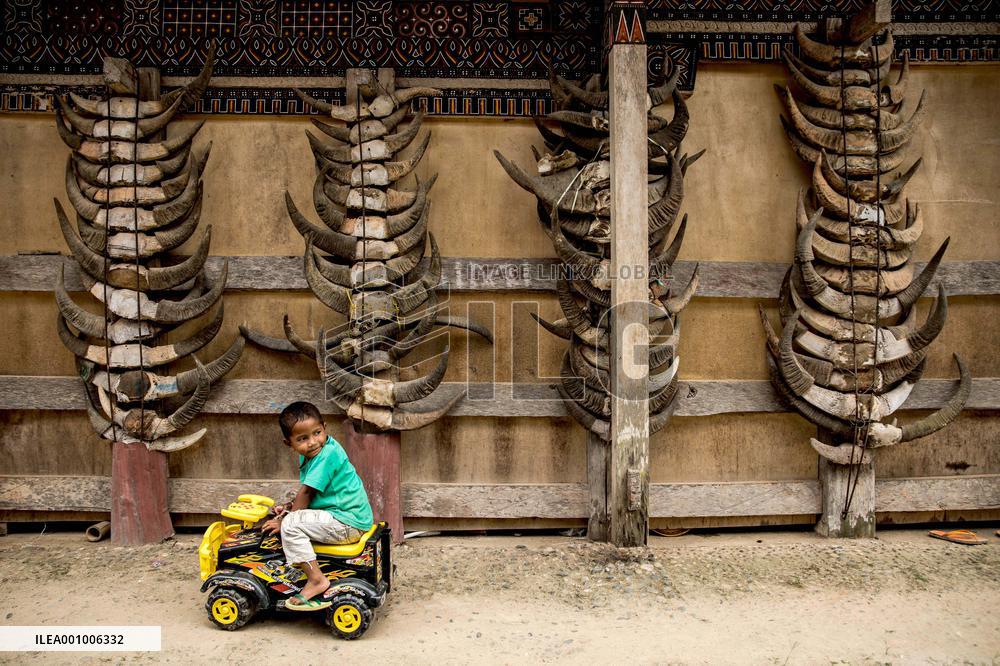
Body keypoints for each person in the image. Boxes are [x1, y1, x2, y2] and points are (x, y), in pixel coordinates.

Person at [262, 401, 373, 611]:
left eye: (317, 433)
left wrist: (284, 521)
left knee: (291, 525)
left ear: (325, 427)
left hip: (346, 522)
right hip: (345, 516)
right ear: (289, 443)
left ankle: (316, 580)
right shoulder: (316, 454)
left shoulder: (327, 455)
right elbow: (310, 493)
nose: (312, 442)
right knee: (290, 511)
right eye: (303, 439)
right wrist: (287, 508)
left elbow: (307, 493)